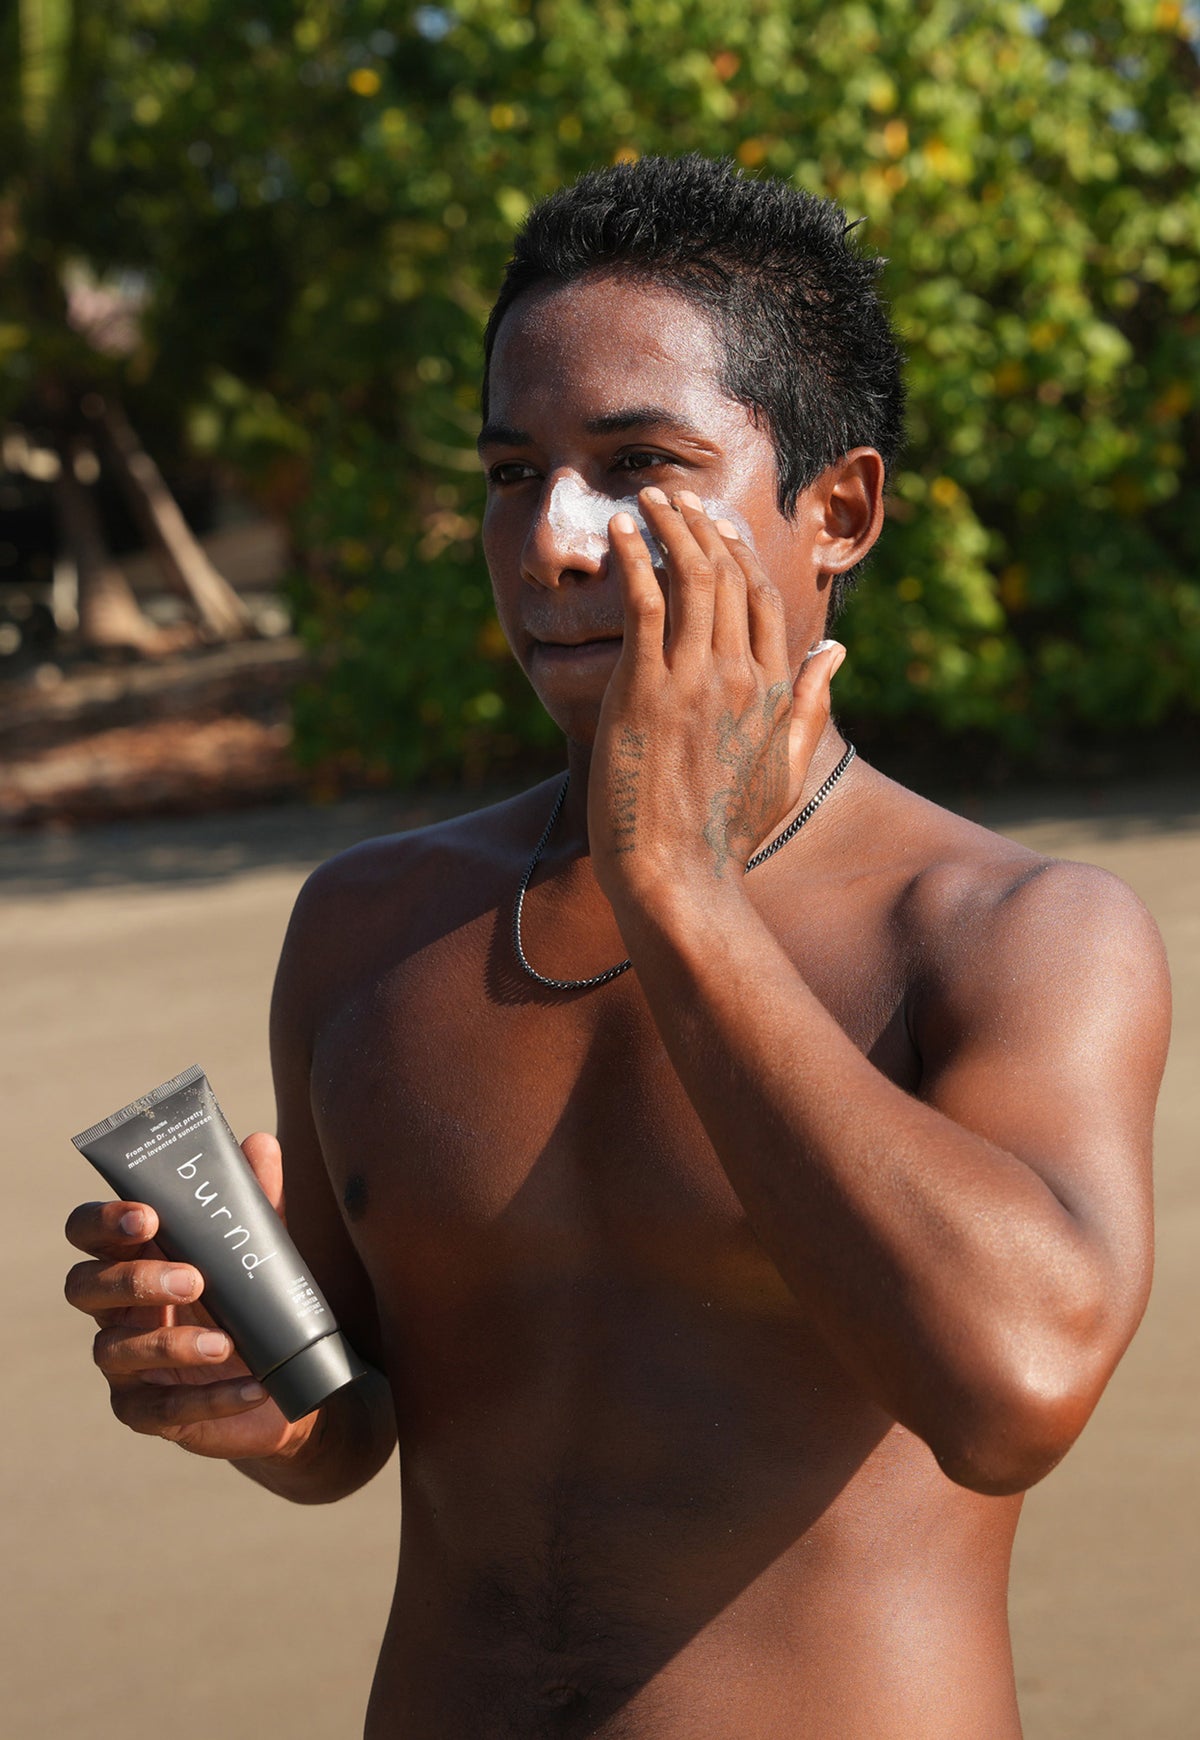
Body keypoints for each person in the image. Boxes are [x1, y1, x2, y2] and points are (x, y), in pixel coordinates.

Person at [64, 156, 1170, 1738]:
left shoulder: (1013, 933)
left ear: (837, 510)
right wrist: (247, 1399)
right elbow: (363, 1419)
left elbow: (1013, 1394)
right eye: (516, 473)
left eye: (639, 463)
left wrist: (681, 887)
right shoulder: (375, 924)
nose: (555, 542)